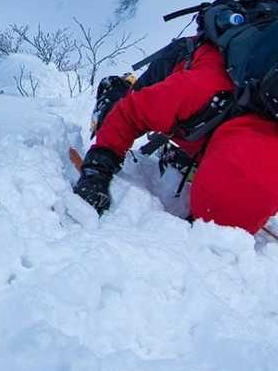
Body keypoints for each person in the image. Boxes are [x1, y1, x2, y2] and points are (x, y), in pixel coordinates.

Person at [73, 38, 278, 234]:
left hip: (218, 120)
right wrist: (98, 167)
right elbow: (129, 114)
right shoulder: (198, 89)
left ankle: (192, 163)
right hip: (181, 63)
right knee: (112, 119)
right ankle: (115, 89)